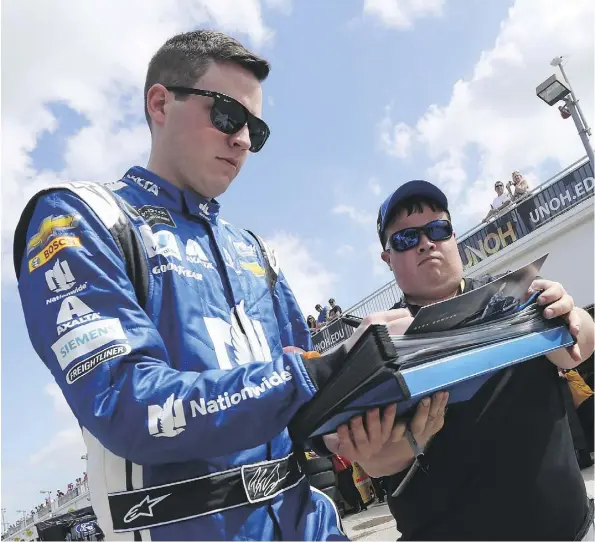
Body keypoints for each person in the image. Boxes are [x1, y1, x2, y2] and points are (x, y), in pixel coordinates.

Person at [13, 29, 381, 541]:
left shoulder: (255, 251)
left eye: (256, 129)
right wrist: (317, 374)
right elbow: (127, 403)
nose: (244, 140)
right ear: (160, 103)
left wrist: (389, 364)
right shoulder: (79, 220)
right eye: (228, 116)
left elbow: (310, 399)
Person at [323, 179, 595, 540]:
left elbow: (577, 348)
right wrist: (414, 439)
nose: (426, 242)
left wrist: (571, 314)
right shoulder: (381, 344)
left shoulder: (512, 296)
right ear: (387, 259)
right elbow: (374, 462)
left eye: (438, 229)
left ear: (454, 238)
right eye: (406, 238)